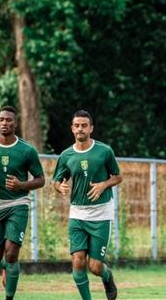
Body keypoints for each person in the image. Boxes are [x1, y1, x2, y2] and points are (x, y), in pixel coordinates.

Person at [0, 106, 45, 300]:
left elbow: (41, 179)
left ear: (16, 123)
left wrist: (21, 184)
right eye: (1, 120)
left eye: (9, 120)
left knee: (12, 253)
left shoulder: (27, 150)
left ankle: (9, 297)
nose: (4, 123)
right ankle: (6, 268)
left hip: (18, 204)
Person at [52, 110, 122, 300]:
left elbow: (118, 177)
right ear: (72, 128)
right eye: (77, 125)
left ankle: (107, 277)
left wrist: (103, 184)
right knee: (77, 261)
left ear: (91, 128)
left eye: (84, 125)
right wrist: (61, 187)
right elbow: (56, 181)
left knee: (95, 267)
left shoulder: (104, 151)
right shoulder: (66, 155)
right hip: (77, 214)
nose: (80, 129)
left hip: (101, 214)